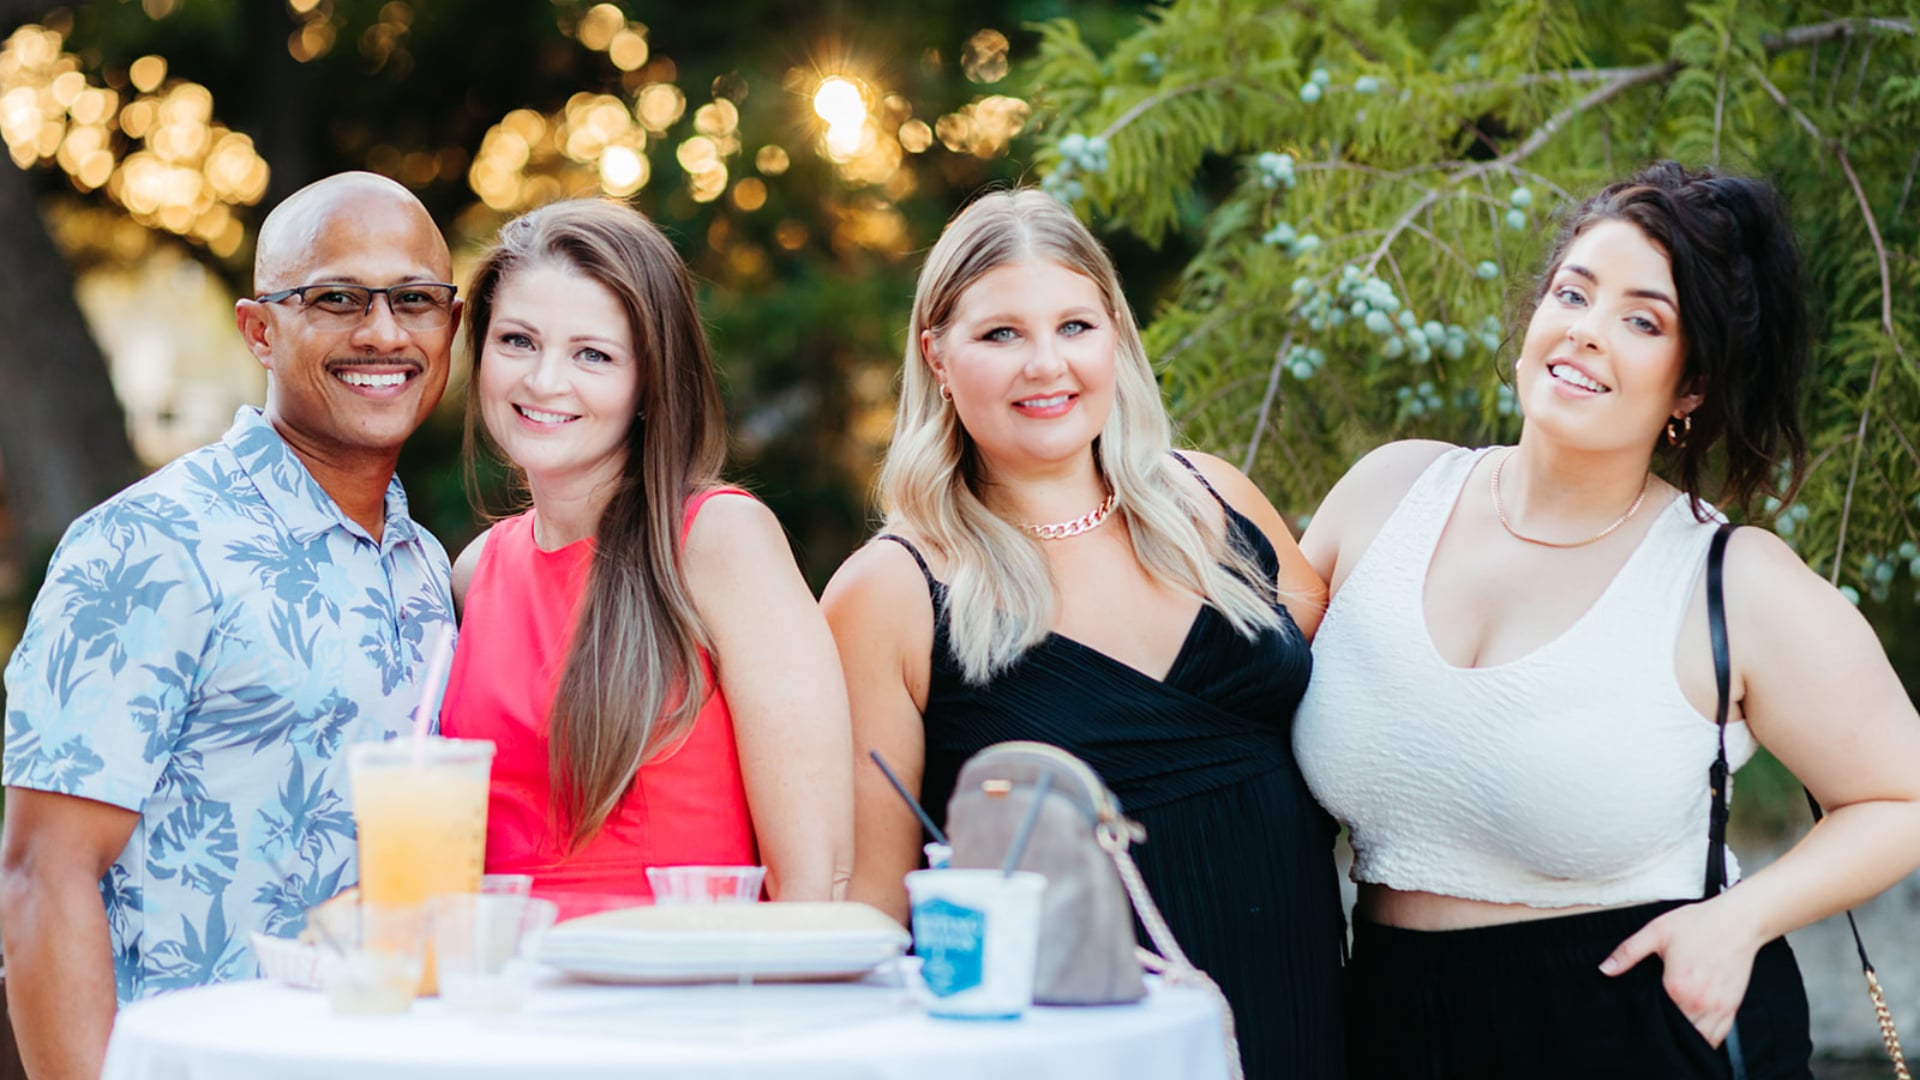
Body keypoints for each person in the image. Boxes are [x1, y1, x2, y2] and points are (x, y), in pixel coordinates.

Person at [1293, 161, 1920, 1079]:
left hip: (1631, 1028)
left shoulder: (1728, 579)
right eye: (1572, 293)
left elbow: (1902, 797)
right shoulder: (1388, 495)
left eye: (1641, 320)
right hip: (1381, 1019)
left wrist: (1740, 920)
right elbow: (1239, 699)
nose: (1587, 332)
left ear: (1691, 386)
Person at [823, 189, 1344, 1079]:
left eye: (1075, 325)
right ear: (937, 355)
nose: (1046, 365)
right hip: (1070, 1047)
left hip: (1309, 1013)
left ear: (1116, 337)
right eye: (1001, 335)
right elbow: (875, 909)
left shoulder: (1214, 502)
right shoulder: (891, 590)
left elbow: (1360, 700)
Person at [0, 172, 459, 1078]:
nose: (383, 332)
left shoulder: (425, 569)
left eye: (415, 300)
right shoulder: (147, 546)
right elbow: (40, 878)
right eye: (336, 298)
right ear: (259, 329)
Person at [438, 199, 852, 909]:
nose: (543, 381)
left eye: (592, 354)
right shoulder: (476, 571)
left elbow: (815, 877)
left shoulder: (719, 542)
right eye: (517, 341)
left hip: (679, 998)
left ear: (649, 382)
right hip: (500, 997)